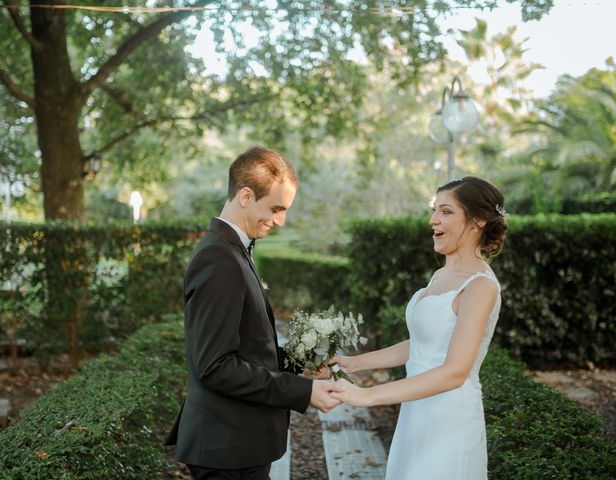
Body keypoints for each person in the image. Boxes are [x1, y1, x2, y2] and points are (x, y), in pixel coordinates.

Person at [165, 146, 342, 480]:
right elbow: (215, 366)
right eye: (276, 208)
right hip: (226, 448)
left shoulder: (234, 250)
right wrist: (302, 392)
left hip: (238, 443)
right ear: (246, 196)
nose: (281, 220)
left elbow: (248, 346)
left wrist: (300, 361)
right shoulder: (218, 258)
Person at [330, 176, 508, 480]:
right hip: (417, 413)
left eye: (446, 212)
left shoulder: (480, 286)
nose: (433, 220)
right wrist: (354, 363)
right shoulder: (441, 274)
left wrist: (366, 396)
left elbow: (455, 371)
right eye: (435, 210)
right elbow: (426, 344)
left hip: (449, 421)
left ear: (478, 220)